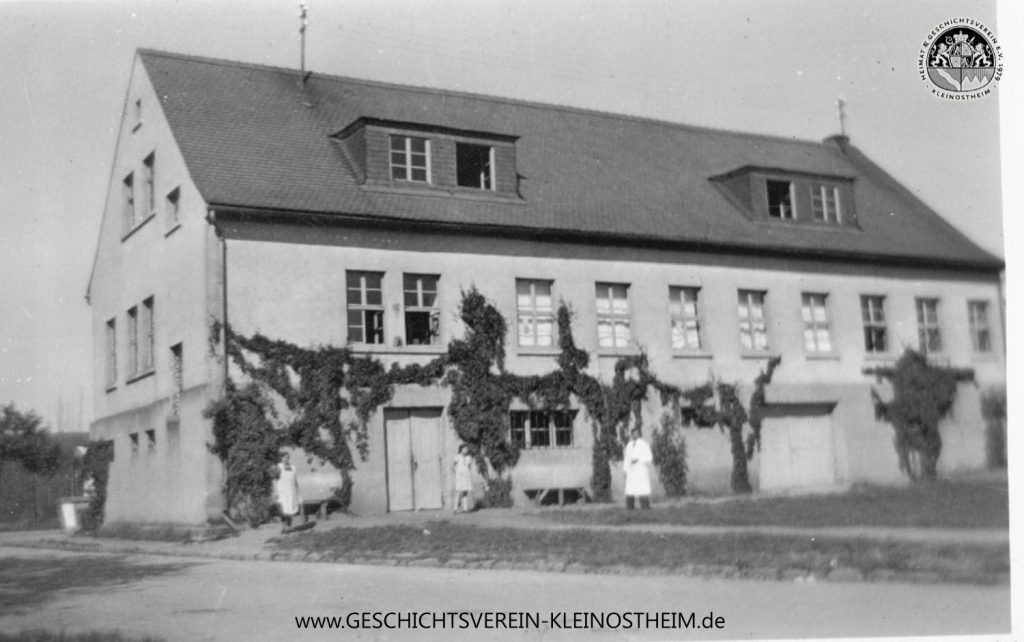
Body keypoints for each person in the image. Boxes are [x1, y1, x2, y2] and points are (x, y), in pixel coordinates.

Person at [623, 427, 653, 510]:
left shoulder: (644, 444)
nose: (635, 435)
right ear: (631, 434)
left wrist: (638, 460)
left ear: (639, 434)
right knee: (630, 489)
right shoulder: (629, 445)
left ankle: (645, 506)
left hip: (640, 470)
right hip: (631, 471)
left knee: (642, 488)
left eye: (636, 433)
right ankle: (630, 507)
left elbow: (649, 458)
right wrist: (625, 470)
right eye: (633, 433)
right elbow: (626, 459)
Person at [274, 452, 301, 531]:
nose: (287, 459)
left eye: (288, 457)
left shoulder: (293, 467)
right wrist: (276, 491)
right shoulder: (279, 467)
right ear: (281, 458)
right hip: (282, 492)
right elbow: (275, 479)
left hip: (291, 492)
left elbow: (295, 480)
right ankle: (284, 527)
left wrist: (297, 491)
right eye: (285, 457)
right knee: (283, 511)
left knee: (290, 509)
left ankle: (290, 527)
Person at [452, 444, 473, 514]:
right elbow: (454, 466)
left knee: (465, 491)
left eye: (467, 449)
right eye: (464, 449)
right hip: (459, 476)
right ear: (461, 449)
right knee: (458, 491)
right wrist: (456, 473)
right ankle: (455, 508)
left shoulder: (468, 457)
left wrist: (469, 474)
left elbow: (469, 467)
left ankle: (465, 508)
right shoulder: (457, 456)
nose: (466, 450)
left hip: (466, 476)